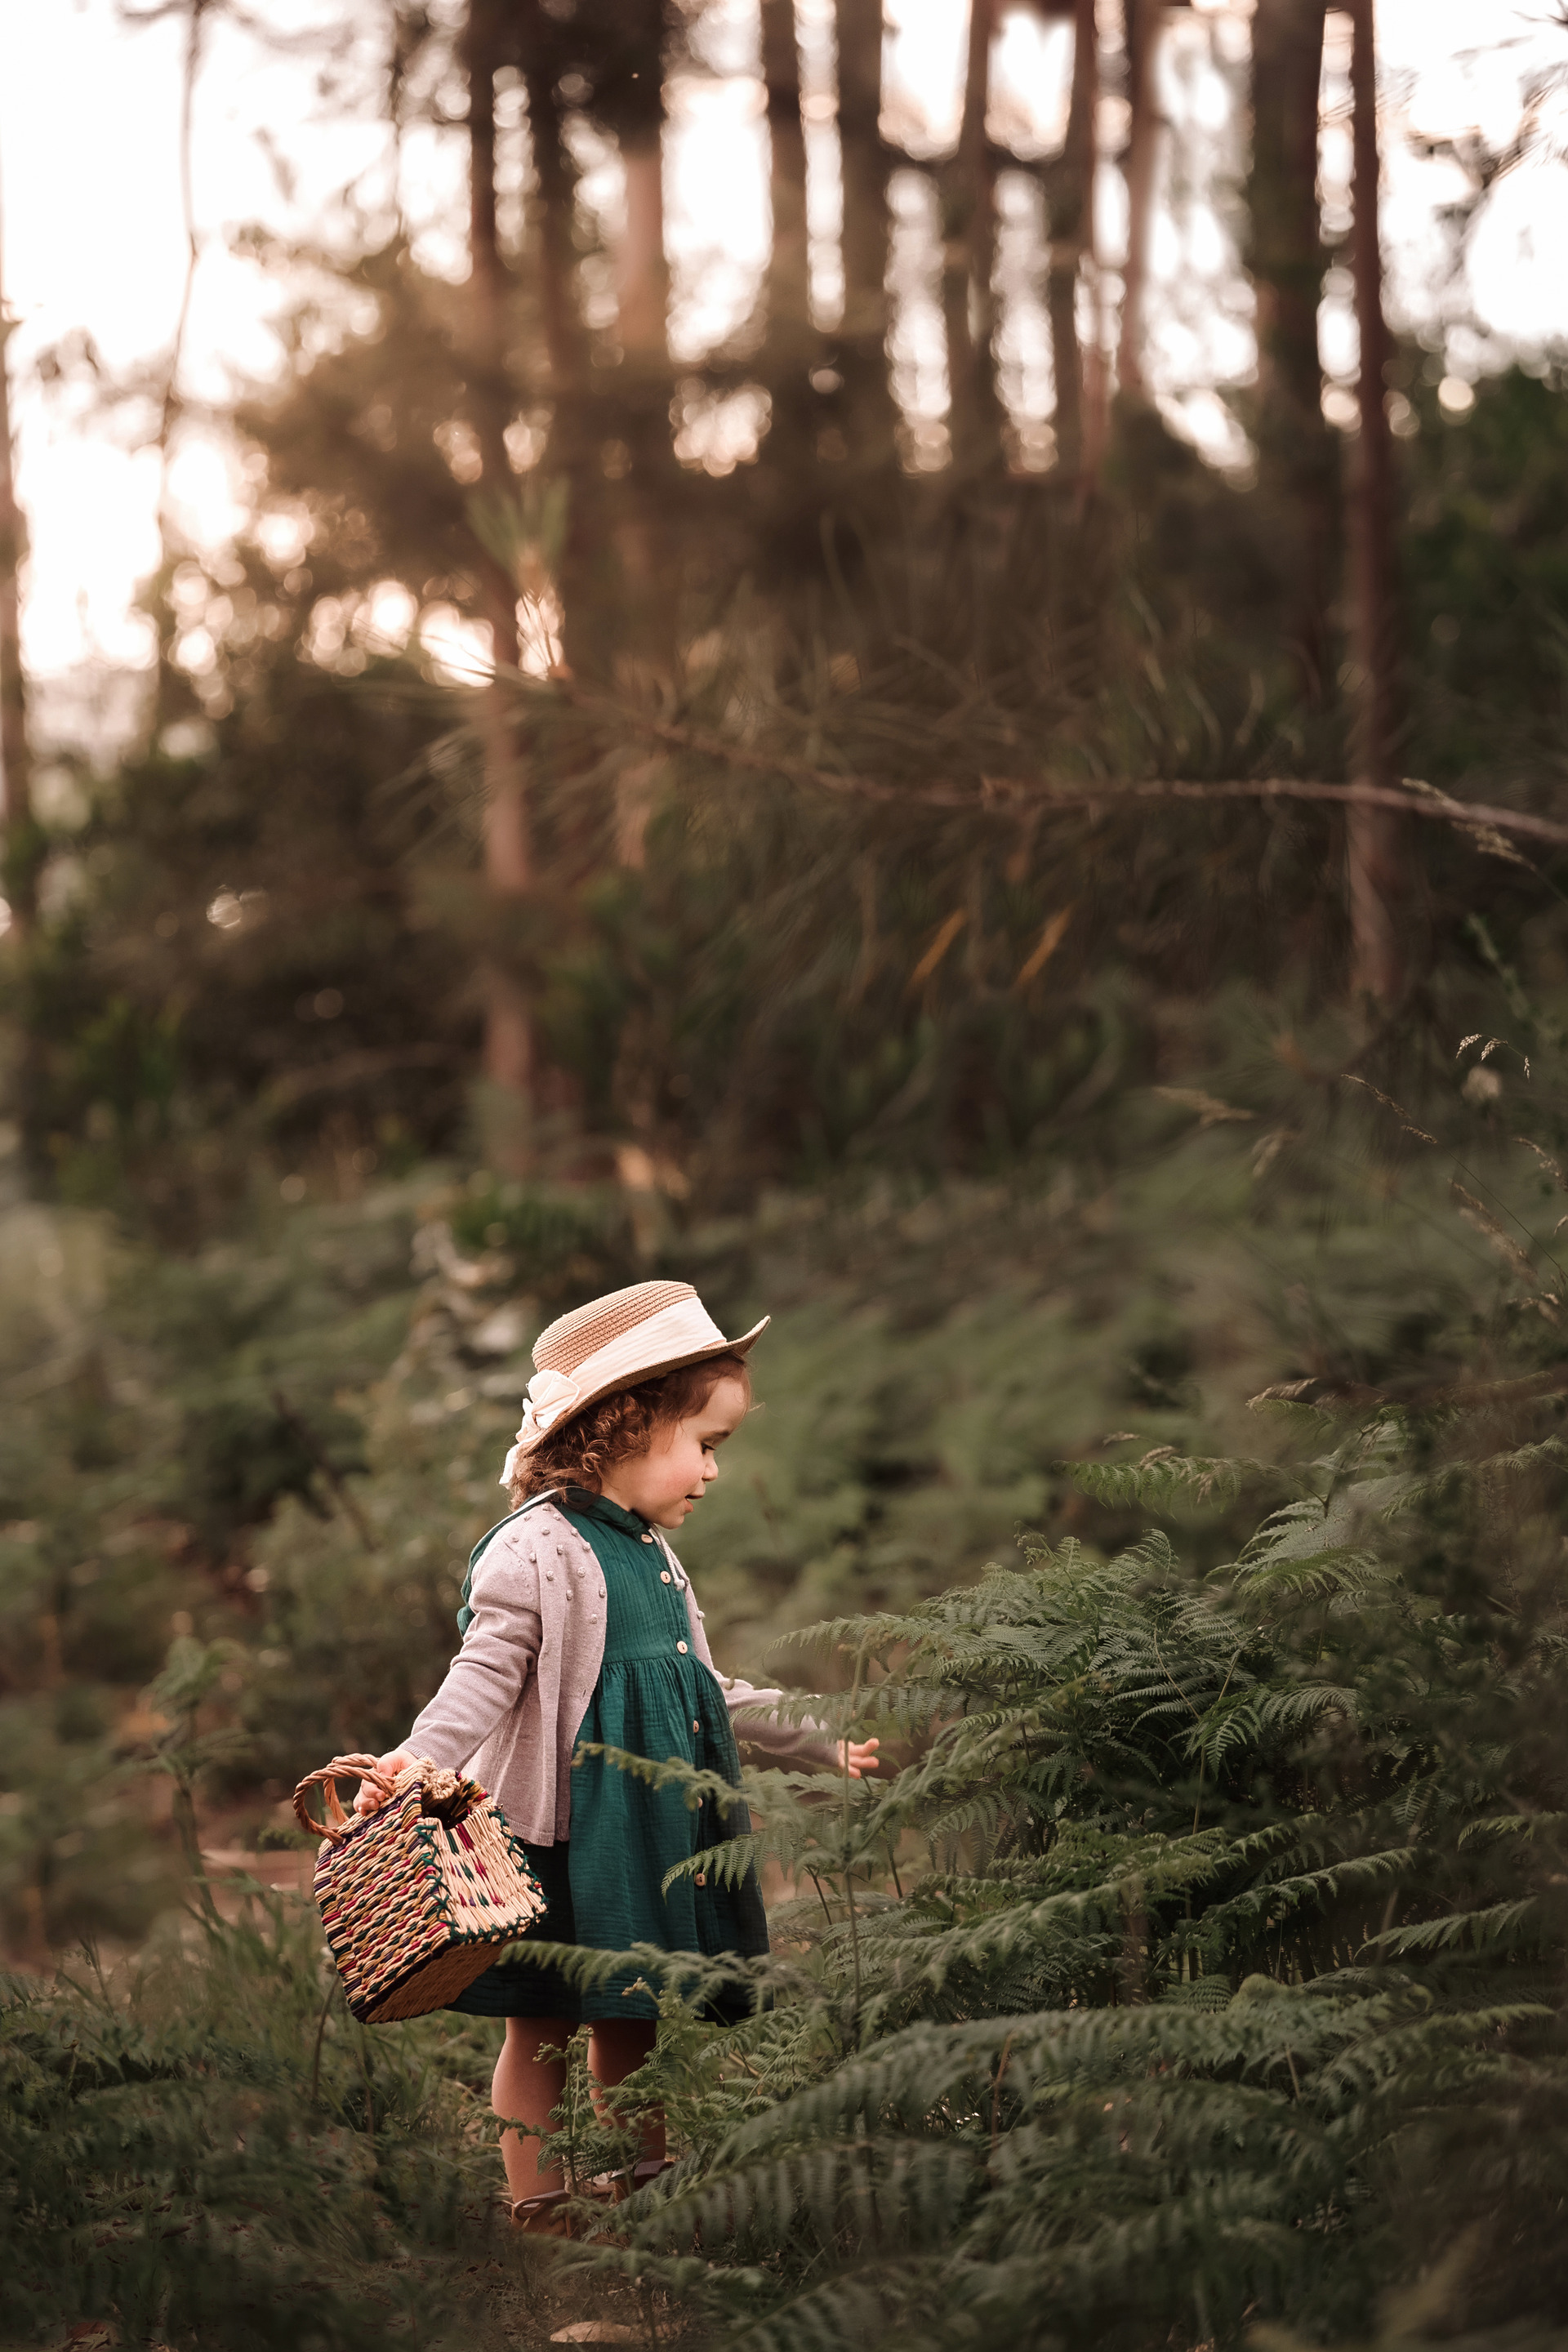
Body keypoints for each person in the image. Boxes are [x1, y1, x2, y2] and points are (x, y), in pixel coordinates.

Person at [355, 1278, 879, 2234]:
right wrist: (409, 1762)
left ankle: (641, 2180)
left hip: (638, 1834)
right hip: (556, 1839)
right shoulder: (532, 1551)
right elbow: (481, 1678)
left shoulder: (655, 1556)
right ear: (627, 1425)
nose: (713, 1471)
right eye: (705, 1444)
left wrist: (812, 1738)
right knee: (543, 2021)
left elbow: (703, 1688)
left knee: (630, 2008)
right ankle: (539, 2202)